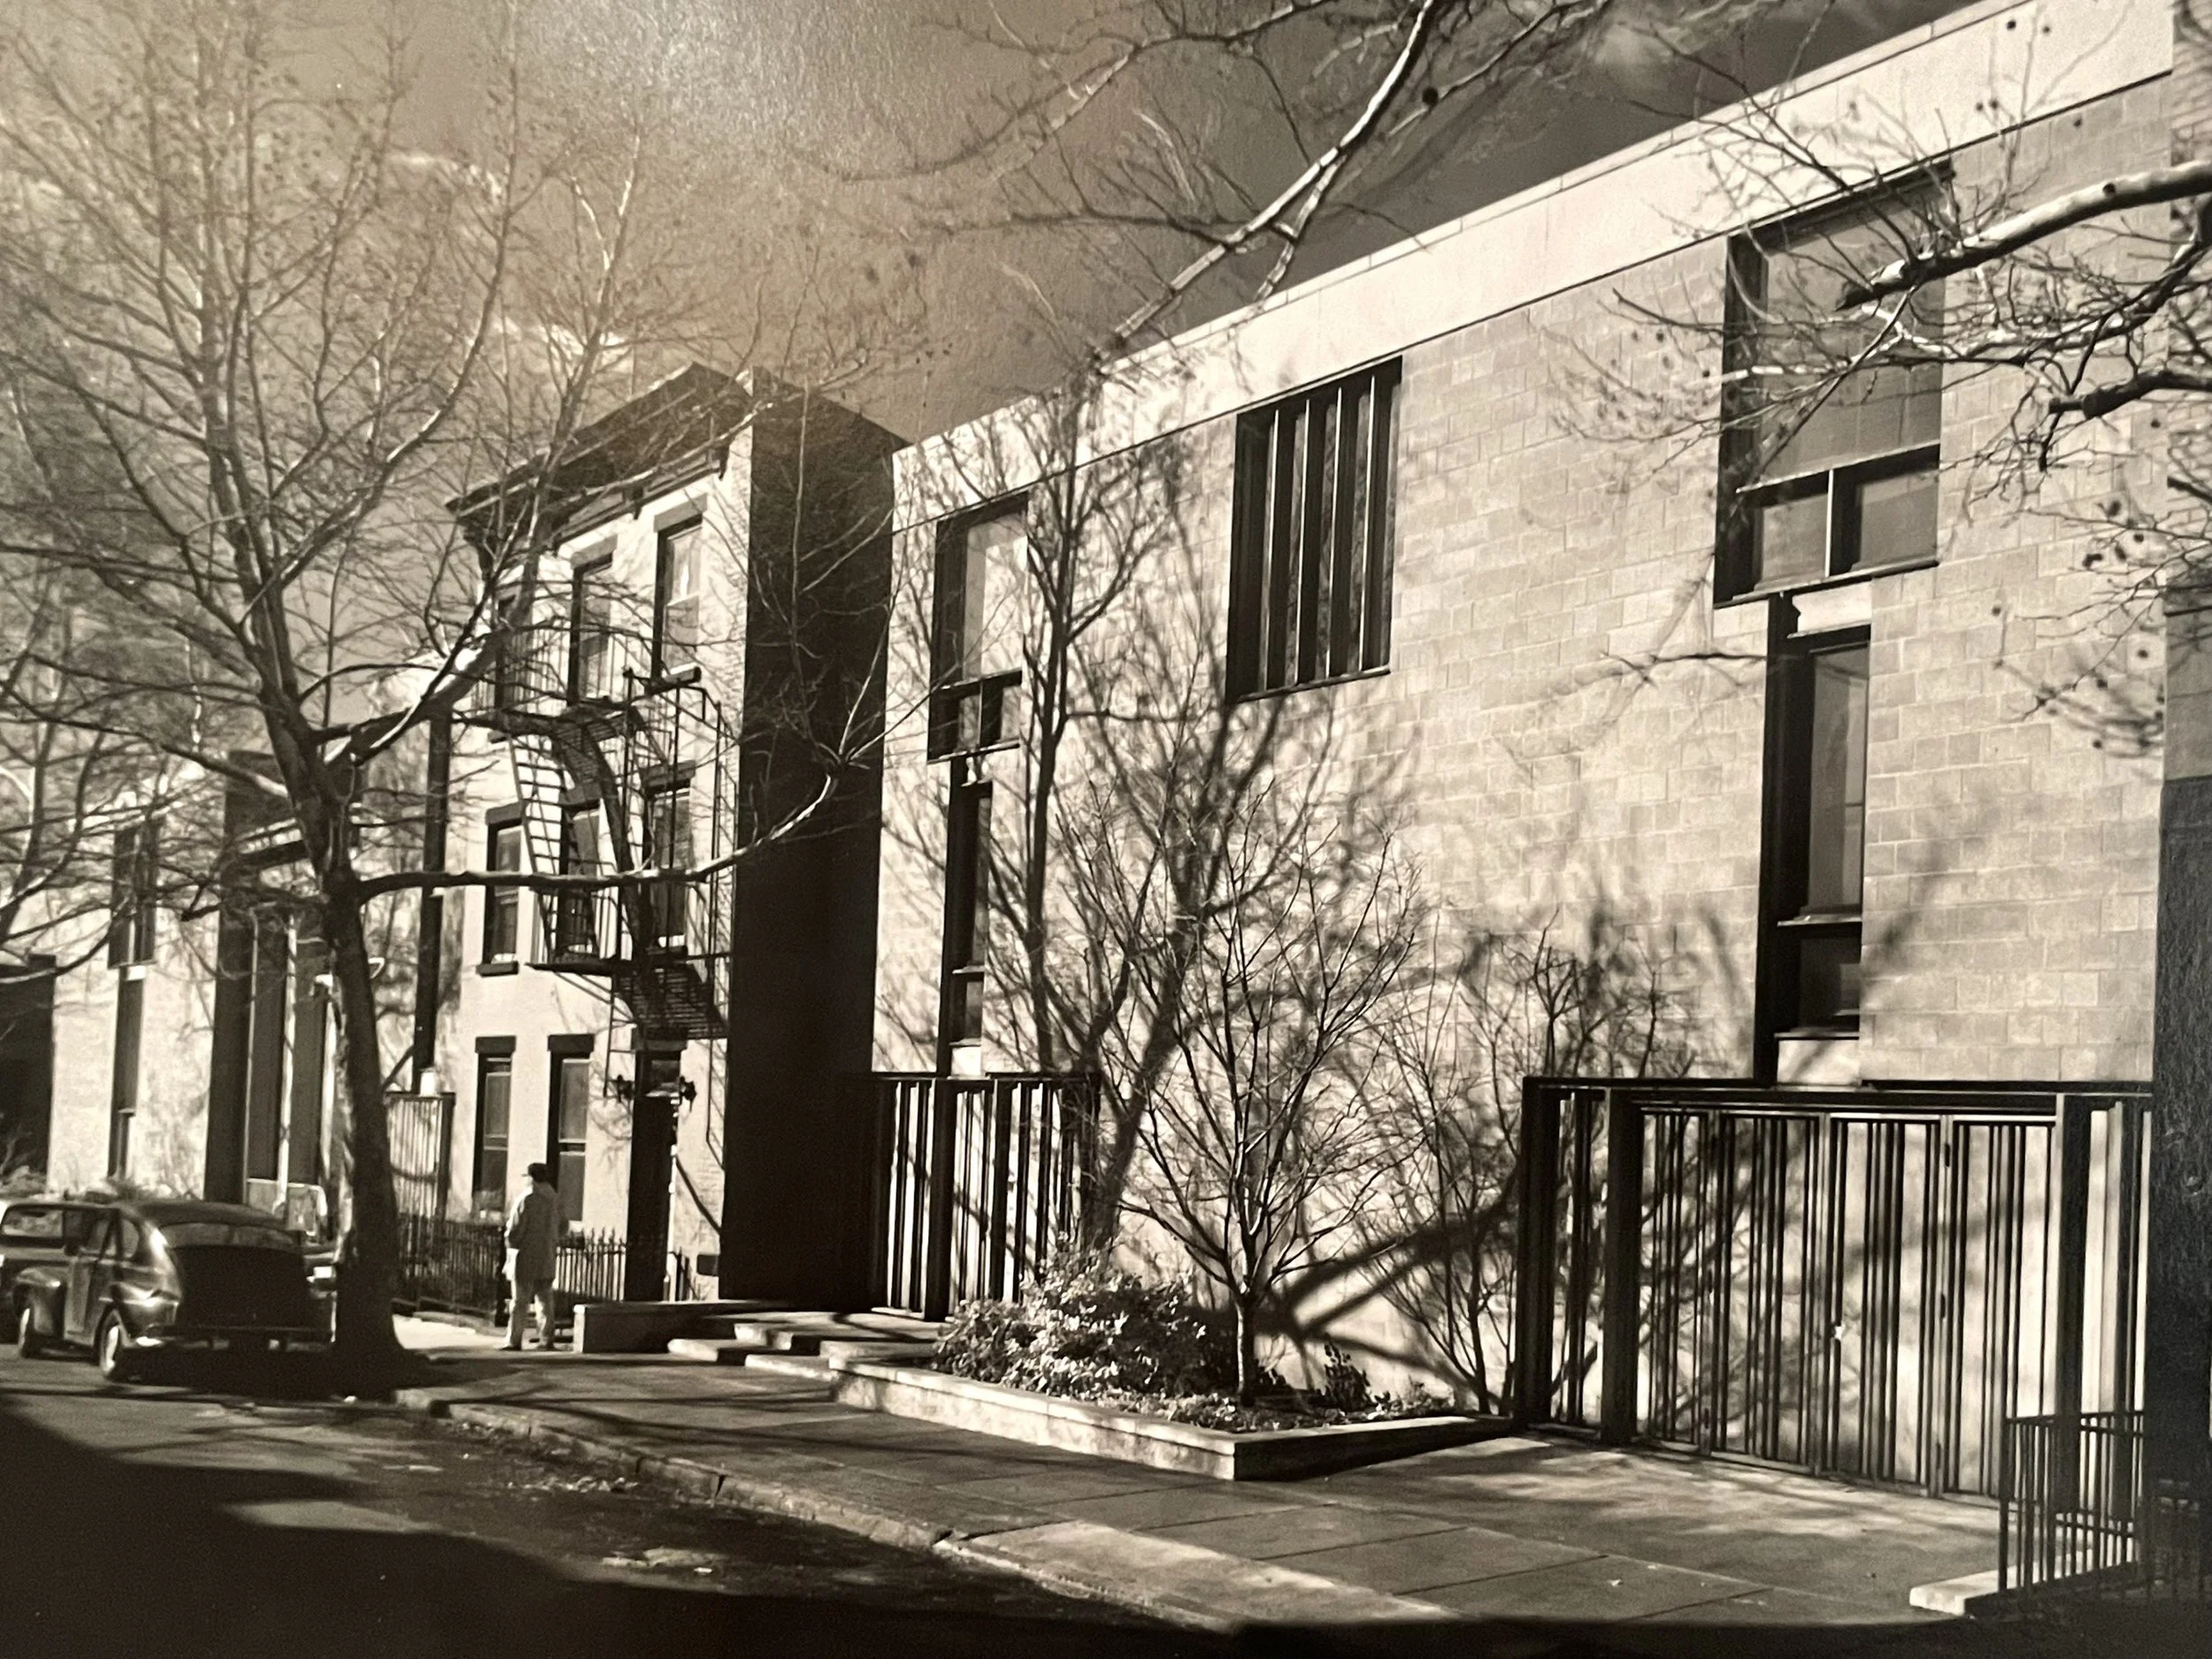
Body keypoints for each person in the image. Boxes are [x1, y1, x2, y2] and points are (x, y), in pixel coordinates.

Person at [504, 1162, 563, 1351]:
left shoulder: (527, 1199)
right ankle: (547, 1339)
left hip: (526, 1256)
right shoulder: (555, 1199)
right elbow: (564, 1225)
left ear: (531, 1177)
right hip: (547, 1256)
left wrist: (511, 1243)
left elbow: (515, 1229)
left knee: (520, 1302)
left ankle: (514, 1340)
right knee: (545, 1301)